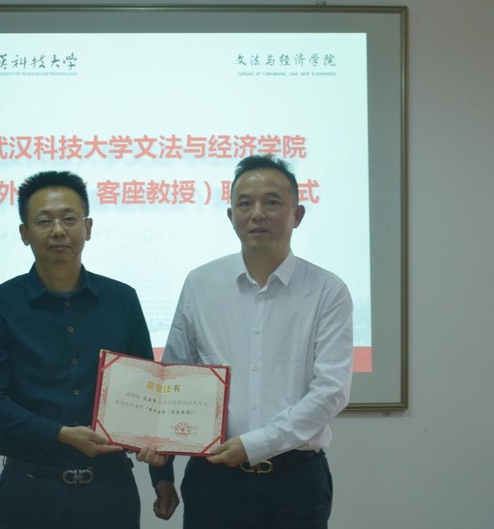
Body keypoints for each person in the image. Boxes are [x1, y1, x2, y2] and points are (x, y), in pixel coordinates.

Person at [149, 154, 354, 529]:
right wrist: (160, 445)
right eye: (245, 204)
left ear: (297, 215)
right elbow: (176, 377)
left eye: (272, 202)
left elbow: (331, 391)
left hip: (296, 481)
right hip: (214, 479)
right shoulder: (200, 284)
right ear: (231, 216)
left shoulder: (328, 291)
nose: (257, 214)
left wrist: (255, 444)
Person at [0, 170, 165, 529]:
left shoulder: (122, 300)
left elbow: (148, 390)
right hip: (30, 491)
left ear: (88, 228)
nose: (58, 230)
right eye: (44, 221)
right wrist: (59, 433)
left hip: (110, 492)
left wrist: (161, 478)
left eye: (69, 219)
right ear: (24, 233)